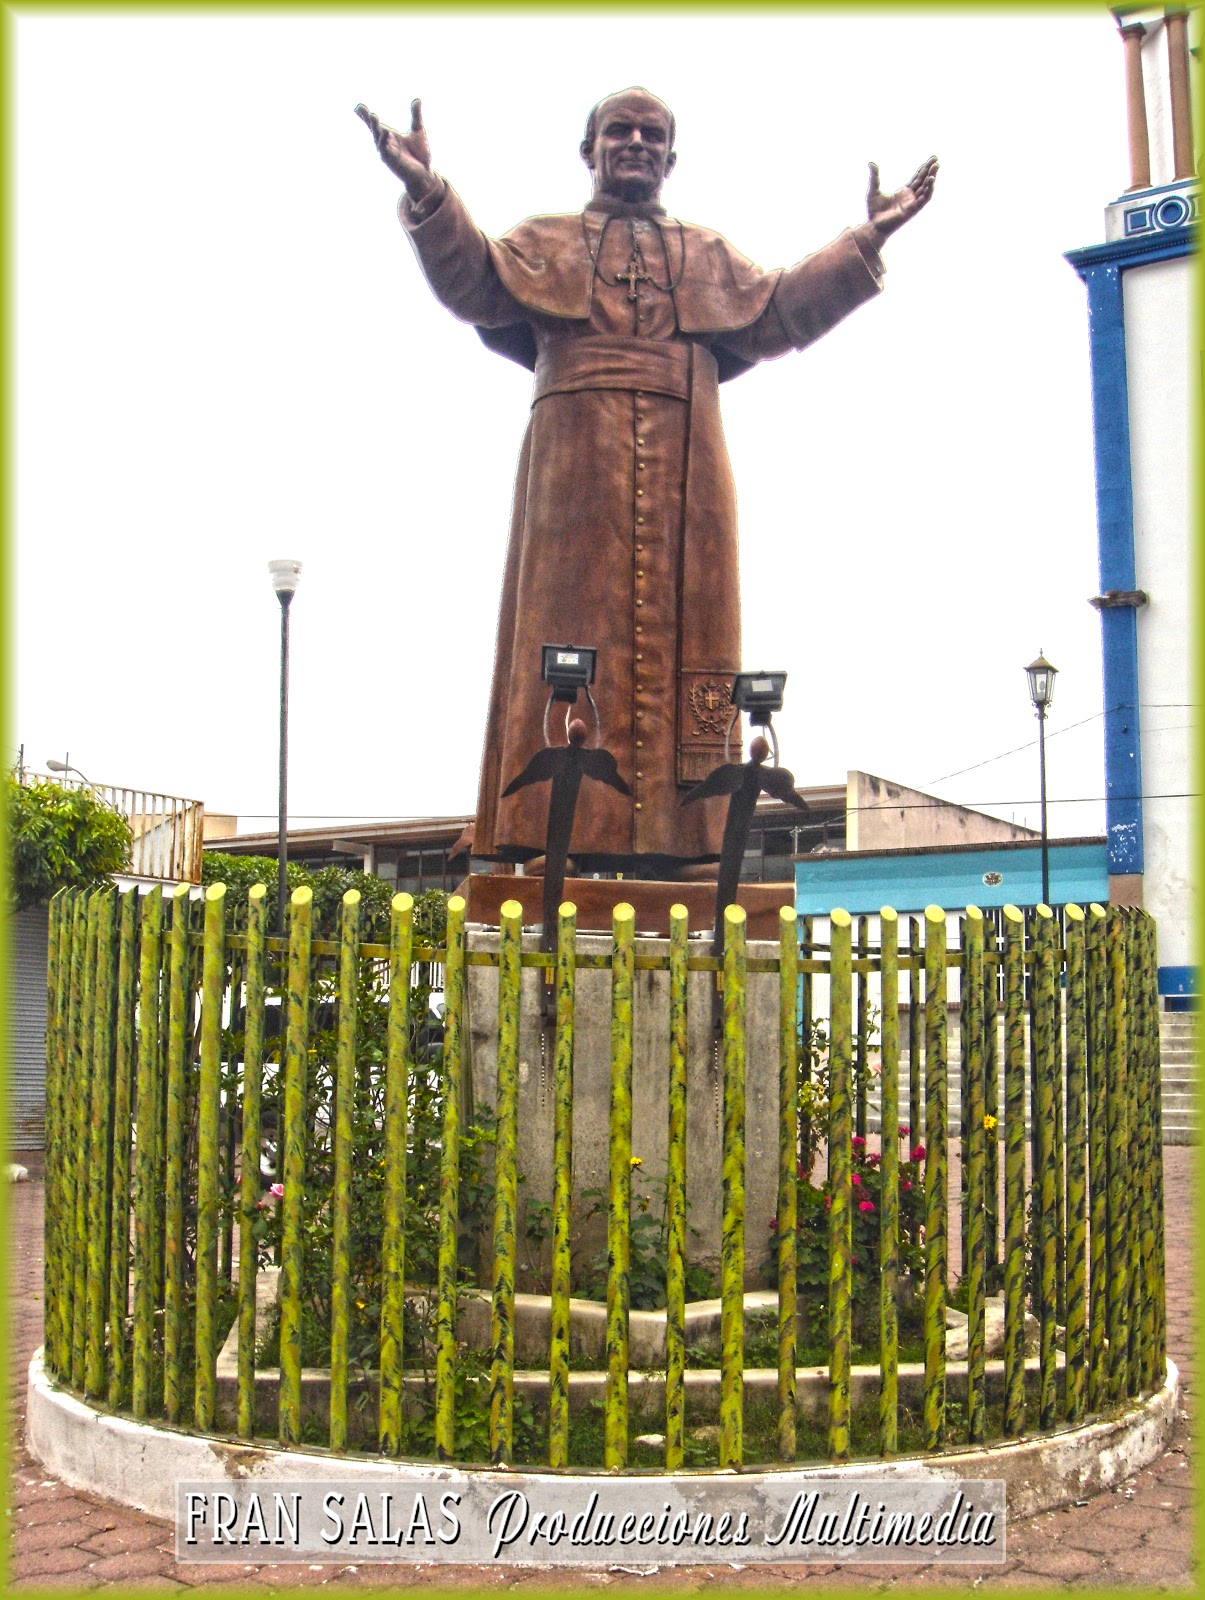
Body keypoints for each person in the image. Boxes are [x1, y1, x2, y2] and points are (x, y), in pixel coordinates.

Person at [357, 88, 936, 876]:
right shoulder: (545, 241)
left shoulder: (706, 252)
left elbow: (776, 311)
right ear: (588, 149)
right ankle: (548, 832)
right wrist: (427, 188)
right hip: (573, 461)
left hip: (689, 458)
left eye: (651, 134)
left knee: (695, 638)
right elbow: (475, 281)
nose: (635, 142)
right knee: (563, 635)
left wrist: (869, 234)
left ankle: (689, 841)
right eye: (618, 130)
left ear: (670, 157)